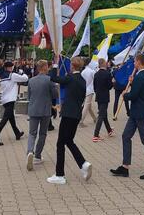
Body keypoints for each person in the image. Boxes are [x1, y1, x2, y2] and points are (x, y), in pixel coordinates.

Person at [110, 54, 144, 180]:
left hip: (140, 113)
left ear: (139, 62)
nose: (134, 64)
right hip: (135, 113)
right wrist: (131, 84)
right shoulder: (142, 76)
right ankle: (125, 167)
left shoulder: (141, 77)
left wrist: (125, 94)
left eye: (135, 61)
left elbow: (134, 95)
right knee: (126, 136)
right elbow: (140, 91)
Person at [47, 56, 92, 185]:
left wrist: (55, 66)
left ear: (72, 66)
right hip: (76, 114)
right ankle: (83, 163)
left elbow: (53, 78)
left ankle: (60, 174)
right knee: (69, 141)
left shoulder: (70, 78)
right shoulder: (82, 80)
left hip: (68, 114)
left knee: (60, 144)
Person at [26, 60, 58, 170]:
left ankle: (30, 151)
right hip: (45, 110)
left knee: (32, 133)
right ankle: (37, 156)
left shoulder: (31, 80)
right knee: (43, 133)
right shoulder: (49, 80)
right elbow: (55, 95)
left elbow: (29, 96)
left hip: (33, 109)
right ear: (44, 67)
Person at [0, 61, 28, 146]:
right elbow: (25, 78)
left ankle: (17, 133)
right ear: (9, 67)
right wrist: (22, 72)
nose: (12, 68)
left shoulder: (2, 76)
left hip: (5, 99)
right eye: (12, 67)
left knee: (11, 118)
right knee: (5, 119)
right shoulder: (12, 75)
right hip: (10, 100)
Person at [92, 58, 115, 141]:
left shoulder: (96, 74)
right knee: (101, 115)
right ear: (104, 64)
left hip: (98, 96)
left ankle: (109, 130)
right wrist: (113, 82)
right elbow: (109, 87)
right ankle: (96, 135)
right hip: (105, 97)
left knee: (104, 114)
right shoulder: (107, 74)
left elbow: (94, 86)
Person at [79, 61, 97, 127]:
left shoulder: (83, 71)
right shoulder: (92, 71)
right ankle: (81, 121)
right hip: (90, 90)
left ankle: (95, 118)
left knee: (89, 106)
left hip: (84, 89)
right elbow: (95, 80)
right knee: (86, 106)